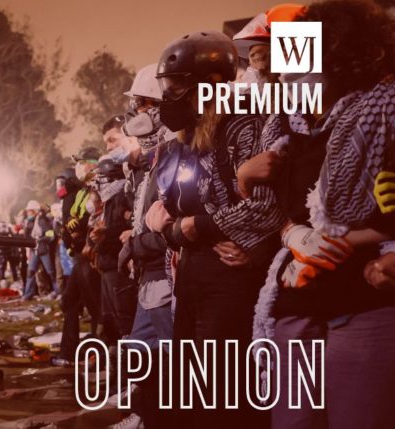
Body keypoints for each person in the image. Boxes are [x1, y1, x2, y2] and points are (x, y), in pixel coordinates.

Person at [238, 2, 395, 427]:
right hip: (298, 303)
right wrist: (290, 232)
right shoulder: (291, 130)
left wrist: (360, 244)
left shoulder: (385, 114)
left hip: (365, 302)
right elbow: (277, 212)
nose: (292, 69)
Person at [147, 30, 284, 428]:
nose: (168, 96)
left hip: (230, 276)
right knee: (186, 390)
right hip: (193, 271)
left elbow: (264, 208)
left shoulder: (246, 123)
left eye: (177, 86)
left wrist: (196, 226)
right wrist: (174, 227)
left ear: (210, 85)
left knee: (223, 395)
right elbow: (170, 215)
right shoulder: (186, 138)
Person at [113, 63, 175, 429]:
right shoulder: (156, 157)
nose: (136, 114)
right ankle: (145, 416)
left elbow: (170, 222)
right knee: (140, 351)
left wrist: (139, 243)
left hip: (166, 272)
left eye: (141, 103)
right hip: (149, 271)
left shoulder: (174, 153)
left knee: (172, 360)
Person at [54, 148, 104, 366]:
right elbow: (72, 216)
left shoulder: (100, 185)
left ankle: (101, 355)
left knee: (96, 307)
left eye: (83, 162)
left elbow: (98, 216)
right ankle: (68, 352)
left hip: (90, 253)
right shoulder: (79, 190)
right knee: (69, 302)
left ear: (93, 164)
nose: (79, 167)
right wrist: (67, 229)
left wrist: (80, 228)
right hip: (79, 254)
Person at [92, 154, 137, 343]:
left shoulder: (122, 197)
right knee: (111, 318)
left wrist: (105, 234)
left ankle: (132, 367)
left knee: (124, 319)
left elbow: (130, 227)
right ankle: (118, 361)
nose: (97, 184)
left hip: (119, 267)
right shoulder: (110, 200)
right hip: (109, 265)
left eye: (100, 178)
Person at [22, 199, 58, 300]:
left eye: (30, 211)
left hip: (43, 250)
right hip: (35, 251)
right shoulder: (31, 222)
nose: (28, 213)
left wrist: (40, 240)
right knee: (31, 272)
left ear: (35, 211)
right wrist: (27, 226)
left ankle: (58, 291)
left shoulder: (42, 220)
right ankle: (28, 294)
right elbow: (26, 236)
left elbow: (51, 234)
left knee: (51, 272)